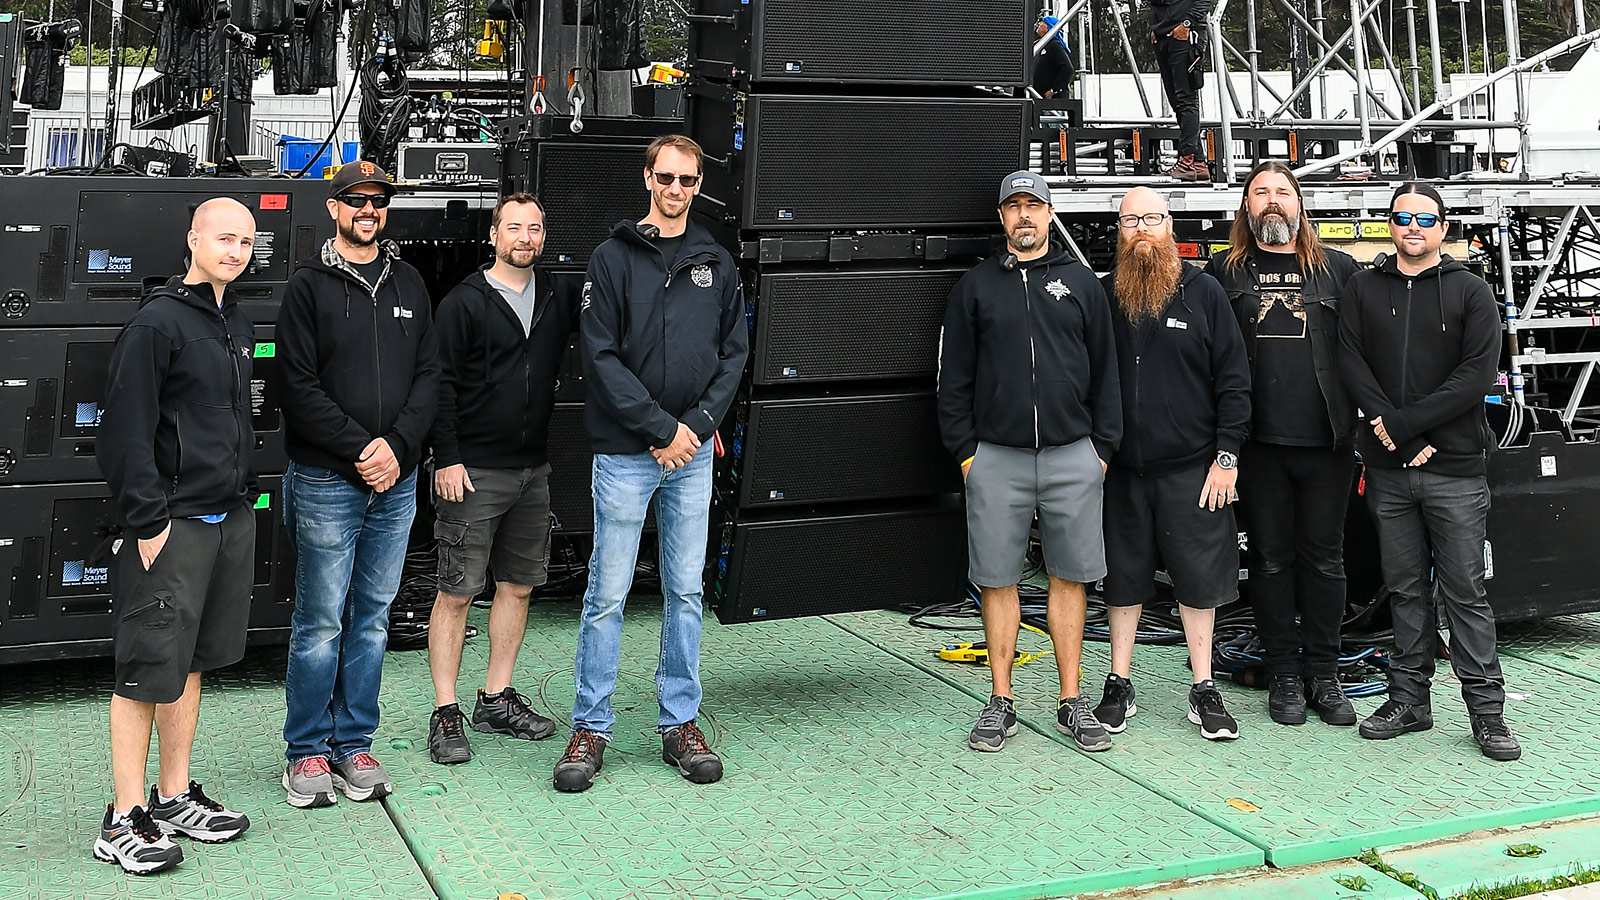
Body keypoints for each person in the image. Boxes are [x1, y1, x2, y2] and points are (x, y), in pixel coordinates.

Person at [553, 135, 748, 793]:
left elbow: (733, 357)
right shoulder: (610, 259)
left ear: (698, 187)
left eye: (688, 181)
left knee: (686, 591)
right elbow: (599, 357)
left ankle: (680, 724)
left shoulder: (716, 263)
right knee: (607, 594)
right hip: (625, 454)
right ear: (647, 178)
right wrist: (660, 428)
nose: (675, 189)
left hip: (690, 457)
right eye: (666, 177)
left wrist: (691, 430)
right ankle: (591, 727)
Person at [94, 197, 259, 873]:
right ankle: (122, 816)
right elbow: (124, 433)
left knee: (187, 664)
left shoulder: (236, 322)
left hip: (226, 519)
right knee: (144, 671)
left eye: (247, 241)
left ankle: (171, 796)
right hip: (172, 527)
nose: (236, 249)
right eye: (224, 237)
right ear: (192, 239)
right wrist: (149, 521)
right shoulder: (157, 324)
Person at [937, 170, 1122, 754]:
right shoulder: (975, 287)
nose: (1024, 217)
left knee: (1070, 577)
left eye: (1034, 206)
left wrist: (1102, 450)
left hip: (1074, 456)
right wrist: (967, 454)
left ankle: (1072, 702)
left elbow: (1107, 371)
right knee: (998, 578)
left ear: (1049, 215)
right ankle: (1001, 701)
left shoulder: (1082, 284)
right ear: (1001, 217)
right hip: (996, 459)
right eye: (1014, 207)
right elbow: (952, 378)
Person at [1338, 182, 1521, 761]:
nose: (1412, 226)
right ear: (1389, 226)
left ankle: (1487, 714)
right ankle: (1410, 700)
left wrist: (1405, 426)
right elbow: (1351, 364)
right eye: (1401, 217)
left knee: (1465, 593)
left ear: (1443, 227)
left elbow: (1475, 376)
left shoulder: (1471, 292)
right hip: (1390, 473)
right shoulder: (1362, 288)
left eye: (1425, 217)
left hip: (1457, 472)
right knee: (1405, 590)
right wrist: (1398, 434)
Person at [278, 162, 440, 806]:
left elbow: (430, 377)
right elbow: (296, 386)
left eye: (377, 201)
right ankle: (307, 753)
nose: (368, 210)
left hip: (396, 482)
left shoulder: (409, 283)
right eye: (356, 201)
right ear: (335, 208)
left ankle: (353, 745)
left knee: (371, 618)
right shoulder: (307, 288)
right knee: (320, 620)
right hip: (327, 480)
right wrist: (361, 449)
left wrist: (397, 449)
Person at [1203, 161, 1362, 728]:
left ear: (1300, 204)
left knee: (1325, 559)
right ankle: (1285, 675)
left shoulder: (1339, 271)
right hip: (1258, 444)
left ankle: (1325, 673)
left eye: (1282, 192)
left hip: (1327, 442)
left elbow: (1367, 352)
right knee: (1270, 562)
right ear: (1247, 207)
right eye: (1260, 193)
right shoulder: (1223, 274)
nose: (1272, 201)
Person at [425, 192, 576, 765]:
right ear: (493, 235)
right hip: (474, 471)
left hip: (531, 471)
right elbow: (440, 384)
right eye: (514, 228)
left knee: (517, 586)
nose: (526, 238)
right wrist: (448, 457)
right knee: (457, 591)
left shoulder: (558, 295)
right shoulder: (463, 303)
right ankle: (445, 711)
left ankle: (495, 698)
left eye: (535, 228)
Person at [1095, 186, 1250, 741]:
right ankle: (1119, 681)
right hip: (1120, 472)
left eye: (1152, 218)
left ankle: (1204, 687)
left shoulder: (1204, 293)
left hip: (1194, 469)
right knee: (1122, 578)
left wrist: (1226, 459)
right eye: (1131, 219)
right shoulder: (1103, 296)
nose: (1141, 228)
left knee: (1198, 582)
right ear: (1119, 230)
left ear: (1169, 226)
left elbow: (1235, 383)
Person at [1149, 0, 1213, 181]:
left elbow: (1205, 2)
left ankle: (1187, 160)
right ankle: (1198, 163)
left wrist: (1186, 23)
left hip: (1185, 35)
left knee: (1186, 100)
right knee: (1177, 102)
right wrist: (1155, 29)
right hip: (1165, 35)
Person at [1033, 15, 1076, 99]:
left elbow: (1067, 68)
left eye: (1043, 22)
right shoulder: (1038, 46)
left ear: (1049, 26)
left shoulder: (1054, 45)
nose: (1039, 24)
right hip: (1038, 100)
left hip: (1052, 102)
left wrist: (1053, 90)